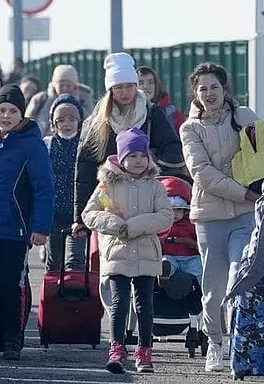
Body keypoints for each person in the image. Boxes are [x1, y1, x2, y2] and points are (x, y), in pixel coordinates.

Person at [179, 61, 264, 373]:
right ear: (195, 94)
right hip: (210, 216)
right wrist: (245, 193)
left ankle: (242, 342)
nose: (209, 93)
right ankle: (215, 341)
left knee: (241, 275)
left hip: (245, 214)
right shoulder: (190, 129)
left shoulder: (245, 116)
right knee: (212, 289)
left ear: (225, 89)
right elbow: (203, 174)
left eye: (215, 87)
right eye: (203, 89)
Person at [0, 84, 54, 360]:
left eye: (12, 111)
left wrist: (40, 228)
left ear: (22, 114)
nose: (6, 116)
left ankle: (12, 340)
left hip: (15, 229)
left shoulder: (32, 145)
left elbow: (44, 188)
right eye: (2, 110)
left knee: (10, 286)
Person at [82, 127, 173, 374]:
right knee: (119, 303)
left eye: (142, 155)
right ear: (121, 158)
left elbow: (166, 216)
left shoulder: (155, 186)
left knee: (145, 304)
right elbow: (89, 213)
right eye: (132, 156)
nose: (138, 161)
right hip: (116, 252)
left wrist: (135, 226)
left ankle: (144, 350)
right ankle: (117, 348)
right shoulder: (106, 185)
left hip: (145, 251)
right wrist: (115, 225)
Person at [72, 53, 185, 241]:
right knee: (111, 260)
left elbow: (172, 149)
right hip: (110, 203)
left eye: (129, 86)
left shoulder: (151, 115)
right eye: (118, 87)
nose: (125, 92)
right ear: (110, 90)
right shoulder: (97, 123)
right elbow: (84, 170)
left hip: (145, 200)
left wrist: (153, 172)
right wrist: (79, 217)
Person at [42, 94, 86, 271]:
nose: (66, 124)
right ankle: (53, 296)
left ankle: (76, 295)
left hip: (78, 212)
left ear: (79, 121)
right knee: (54, 260)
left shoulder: (85, 145)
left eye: (71, 119)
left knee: (76, 261)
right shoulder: (47, 145)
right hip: (54, 213)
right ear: (54, 123)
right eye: (60, 120)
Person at [156, 176, 202, 287]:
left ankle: (205, 291)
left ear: (185, 211)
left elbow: (198, 239)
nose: (175, 214)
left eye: (179, 210)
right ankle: (164, 274)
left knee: (200, 266)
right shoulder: (159, 225)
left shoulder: (190, 224)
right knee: (166, 261)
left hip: (189, 257)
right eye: (172, 210)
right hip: (168, 255)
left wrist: (196, 245)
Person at [25, 64, 95, 137]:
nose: (65, 89)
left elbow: (89, 123)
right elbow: (28, 123)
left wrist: (75, 102)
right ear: (54, 85)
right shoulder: (40, 99)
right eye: (61, 85)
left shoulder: (84, 99)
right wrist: (51, 100)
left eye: (68, 85)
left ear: (75, 86)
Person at [137, 66, 184, 135]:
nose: (145, 87)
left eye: (151, 82)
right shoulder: (126, 112)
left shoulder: (173, 114)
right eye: (140, 83)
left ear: (157, 86)